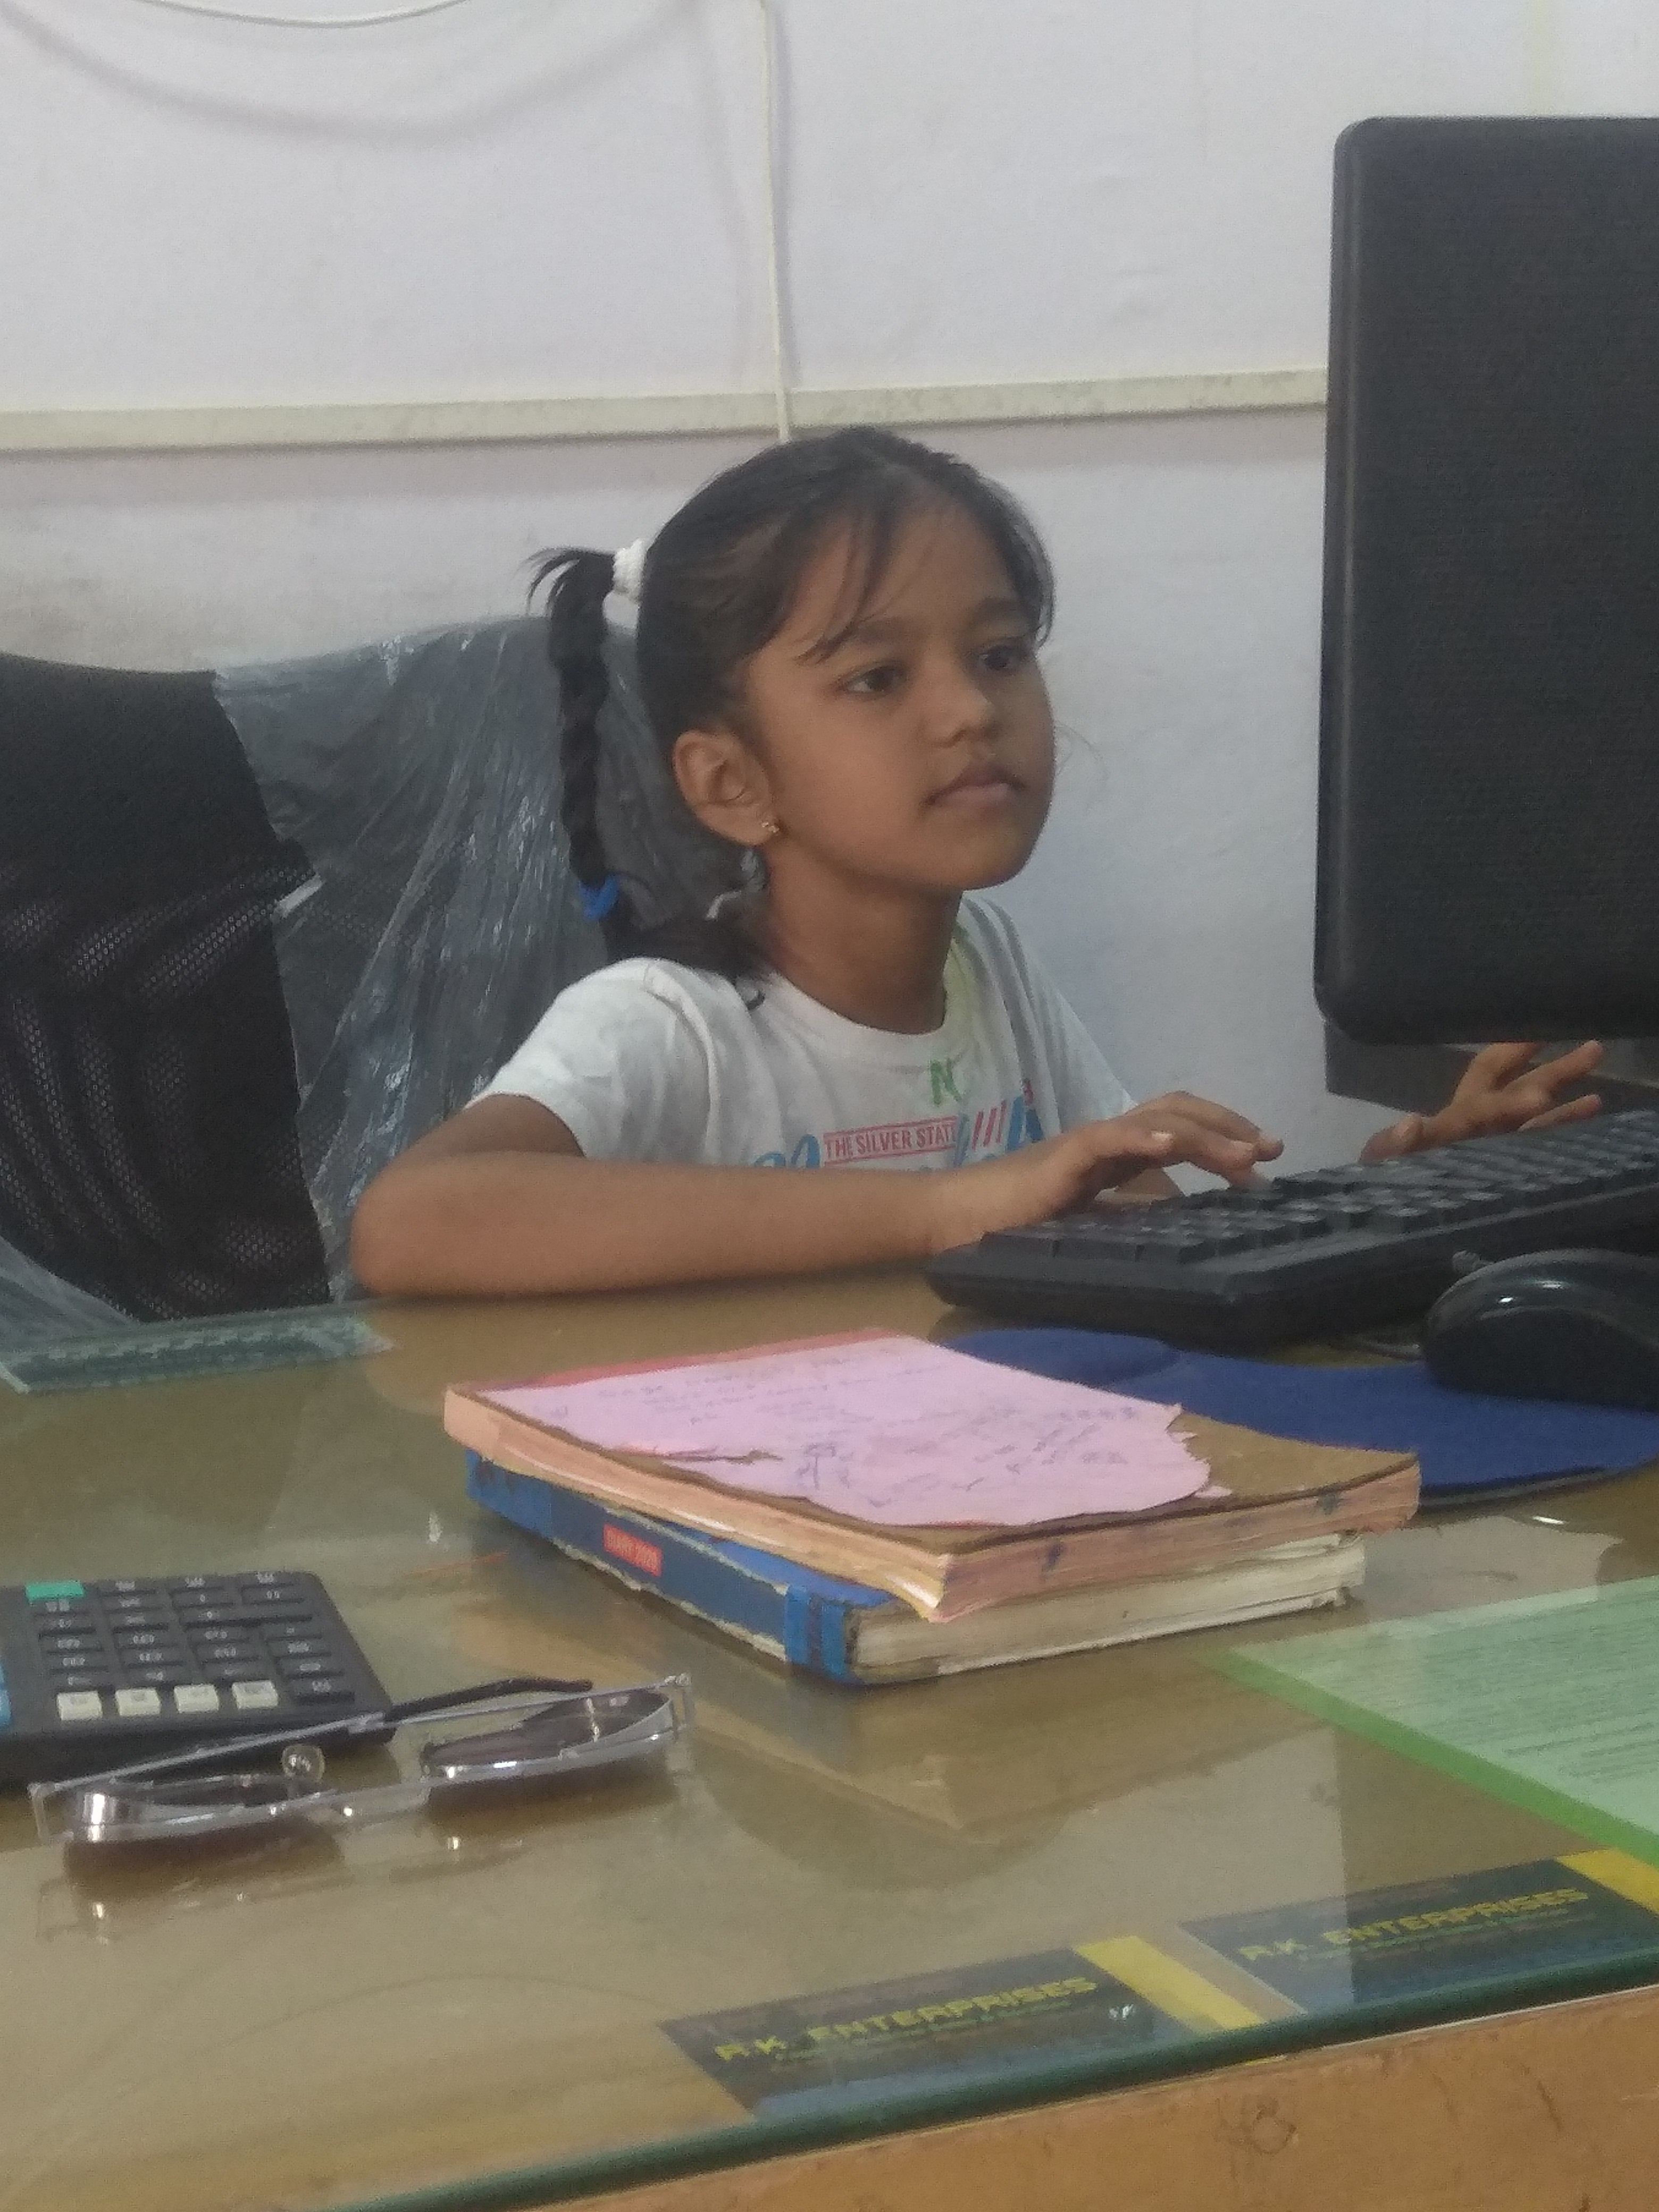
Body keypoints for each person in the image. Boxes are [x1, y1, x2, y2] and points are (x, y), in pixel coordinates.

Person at [350, 429, 1602, 1298]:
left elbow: (1139, 1238)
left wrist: (1385, 1202)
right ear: (731, 782)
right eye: (878, 678)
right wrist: (950, 1205)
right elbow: (411, 1223)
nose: (968, 711)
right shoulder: (670, 1025)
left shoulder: (987, 968)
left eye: (999, 655)